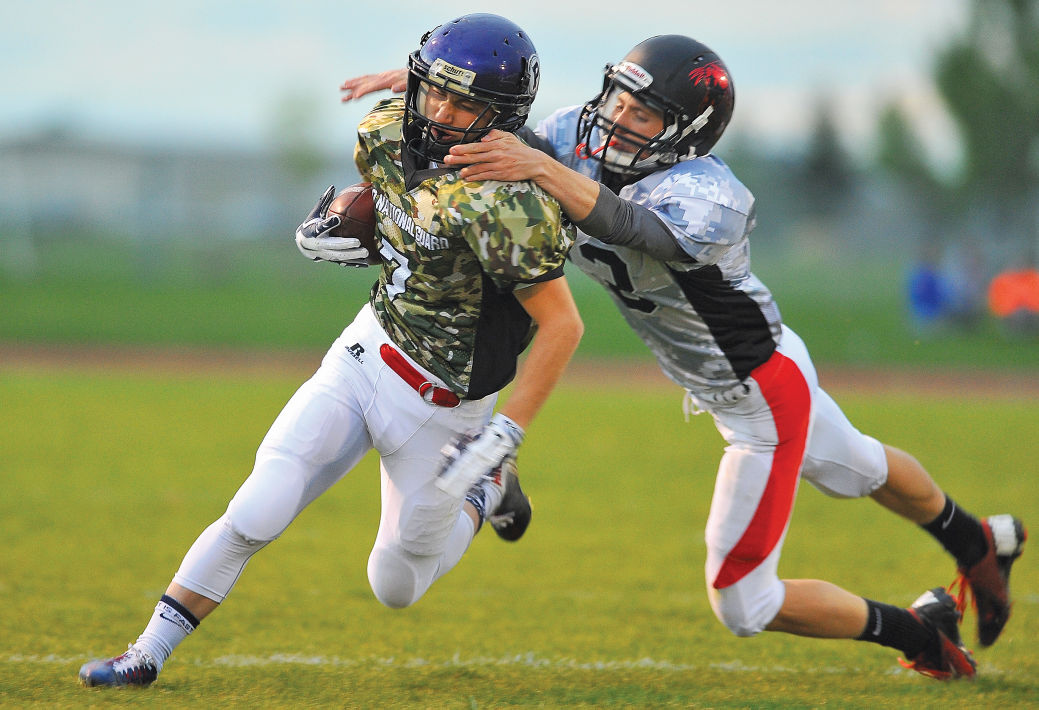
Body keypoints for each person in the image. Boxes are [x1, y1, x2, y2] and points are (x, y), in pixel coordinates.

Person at [340, 35, 1027, 680]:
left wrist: (542, 166)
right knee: (861, 467)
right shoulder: (569, 137)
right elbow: (511, 135)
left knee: (743, 600)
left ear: (688, 132)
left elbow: (633, 227)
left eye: (643, 114)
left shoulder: (709, 195)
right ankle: (977, 541)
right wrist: (444, 92)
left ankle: (920, 632)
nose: (617, 120)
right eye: (619, 100)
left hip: (759, 393)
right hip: (758, 367)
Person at [79, 13, 582, 688]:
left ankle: (487, 489)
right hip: (368, 352)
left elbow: (563, 325)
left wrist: (506, 432)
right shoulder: (384, 130)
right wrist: (345, 228)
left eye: (464, 103)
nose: (440, 112)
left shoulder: (508, 201)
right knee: (257, 507)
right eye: (435, 90)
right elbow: (398, 212)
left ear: (504, 116)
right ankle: (145, 654)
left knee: (396, 583)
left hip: (447, 406)